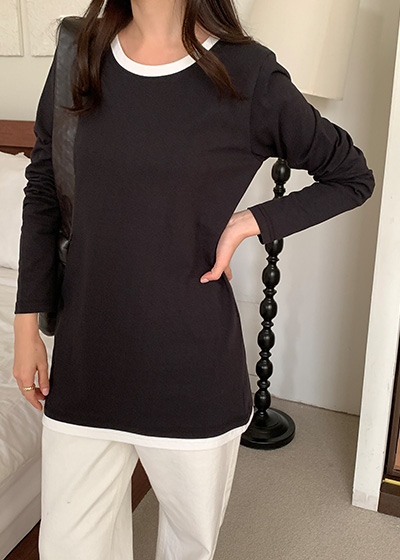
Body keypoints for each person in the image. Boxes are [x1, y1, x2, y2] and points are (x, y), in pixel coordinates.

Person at [12, 1, 375, 559]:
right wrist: (26, 328)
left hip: (191, 374)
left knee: (188, 549)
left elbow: (351, 175)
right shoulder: (77, 54)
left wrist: (250, 222)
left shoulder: (247, 73)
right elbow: (42, 186)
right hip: (86, 363)